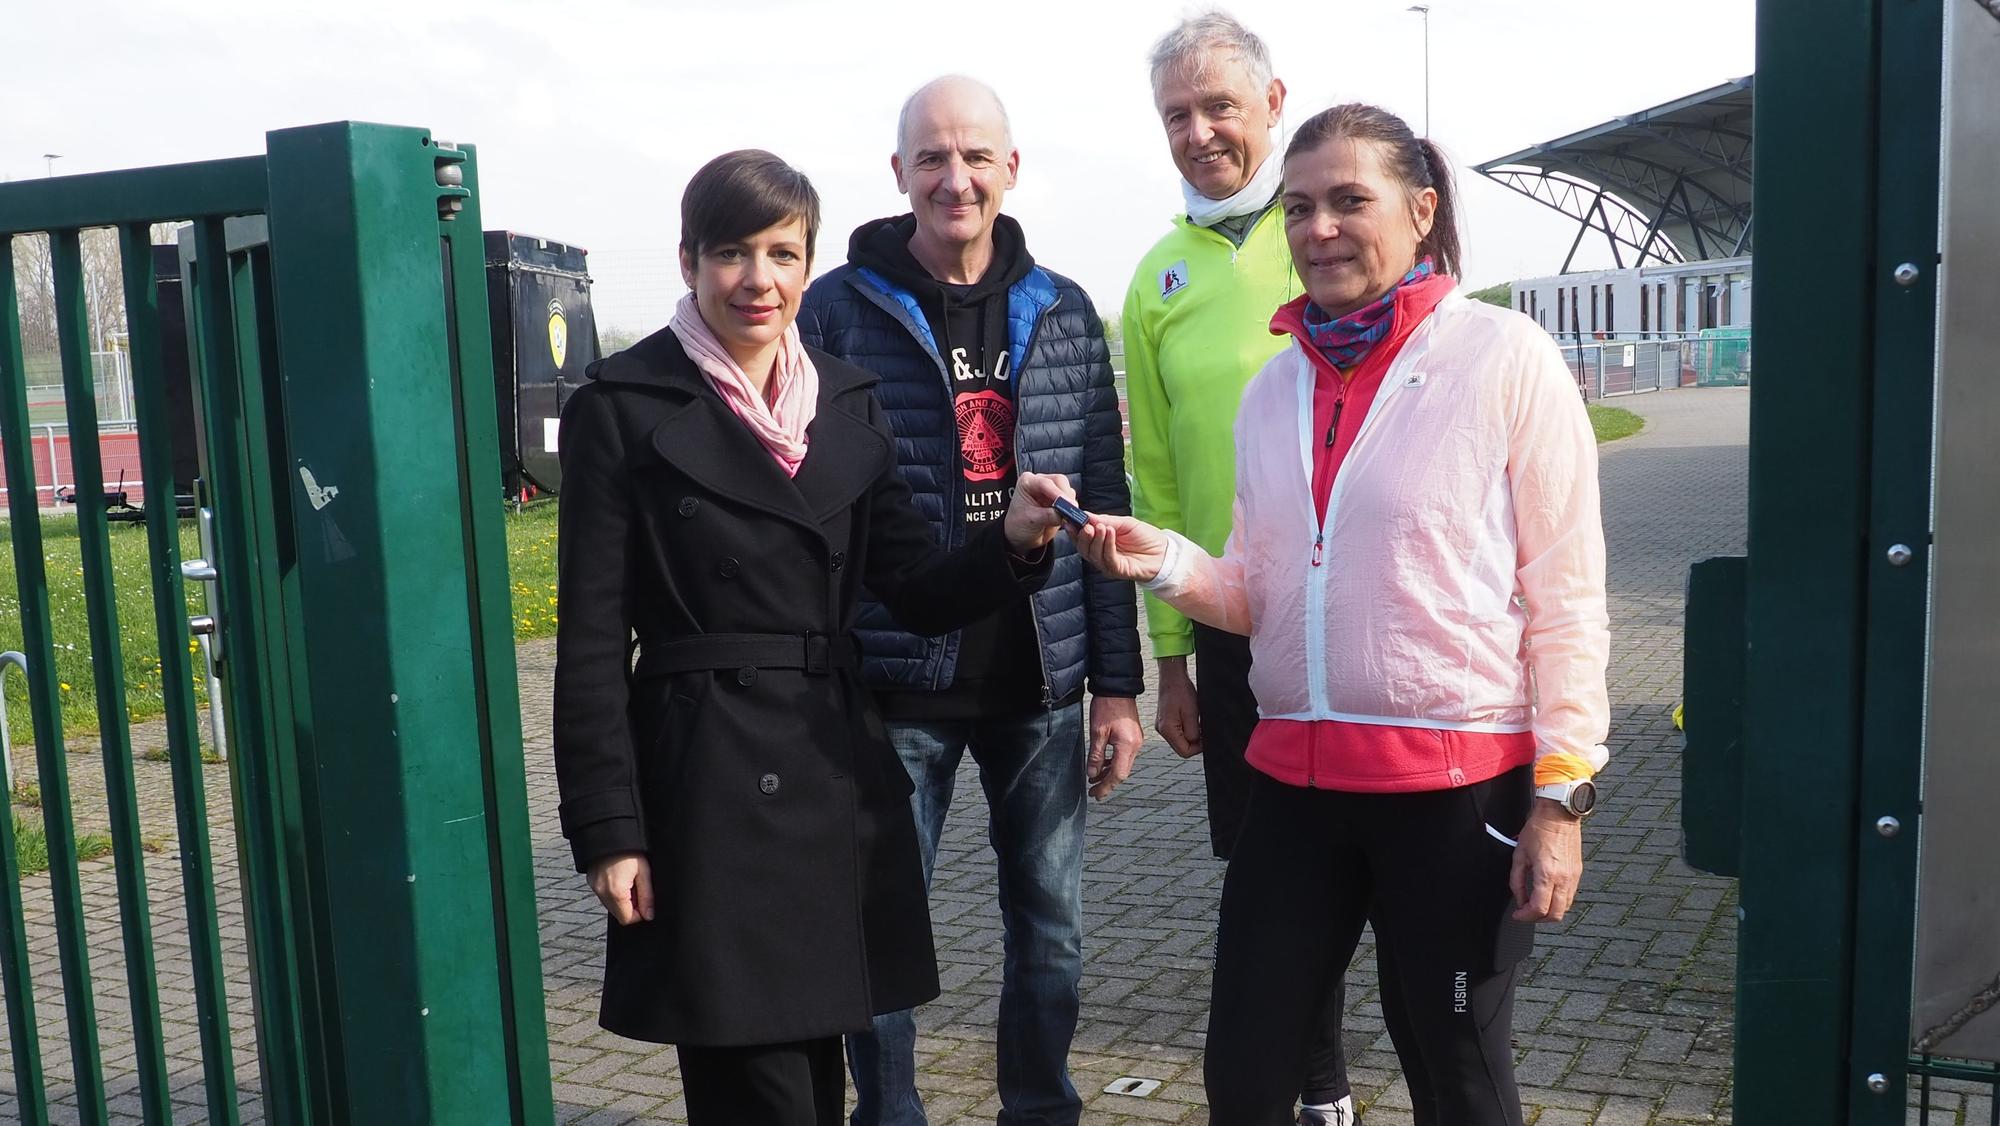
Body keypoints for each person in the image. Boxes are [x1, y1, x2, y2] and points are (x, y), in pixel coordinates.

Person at [1074, 104, 1610, 1126]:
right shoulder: (1273, 388)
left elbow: (1567, 597)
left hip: (1453, 788)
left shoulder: (1502, 358)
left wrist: (1559, 799)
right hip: (1293, 783)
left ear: (1419, 210)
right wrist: (1164, 561)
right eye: (1300, 206)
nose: (1317, 227)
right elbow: (1262, 590)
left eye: (1348, 201)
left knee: (1455, 1075)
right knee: (1242, 1076)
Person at [550, 149, 1077, 1126]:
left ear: (808, 261)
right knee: (753, 1085)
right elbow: (586, 644)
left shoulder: (844, 398)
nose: (759, 280)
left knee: (815, 1076)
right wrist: (608, 828)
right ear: (687, 261)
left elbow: (914, 588)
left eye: (782, 254)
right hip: (701, 785)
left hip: (830, 780)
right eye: (732, 254)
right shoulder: (623, 406)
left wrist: (1010, 536)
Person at [798, 75, 1144, 1126]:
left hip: (1038, 677)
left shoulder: (1066, 311)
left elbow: (1106, 503)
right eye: (932, 158)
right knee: (877, 928)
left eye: (975, 156)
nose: (955, 177)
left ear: (1009, 169)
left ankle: (1039, 1109)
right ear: (898, 175)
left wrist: (1118, 688)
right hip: (897, 673)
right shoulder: (835, 309)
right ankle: (889, 1113)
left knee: (1052, 924)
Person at [1120, 13, 1355, 1124]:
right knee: (1266, 870)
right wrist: (1168, 663)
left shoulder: (1329, 233)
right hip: (1225, 624)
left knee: (1371, 856)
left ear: (1272, 102)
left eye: (1220, 105)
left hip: (1356, 612)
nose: (1200, 131)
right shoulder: (1154, 277)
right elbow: (1155, 478)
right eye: (1178, 114)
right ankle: (1320, 1084)